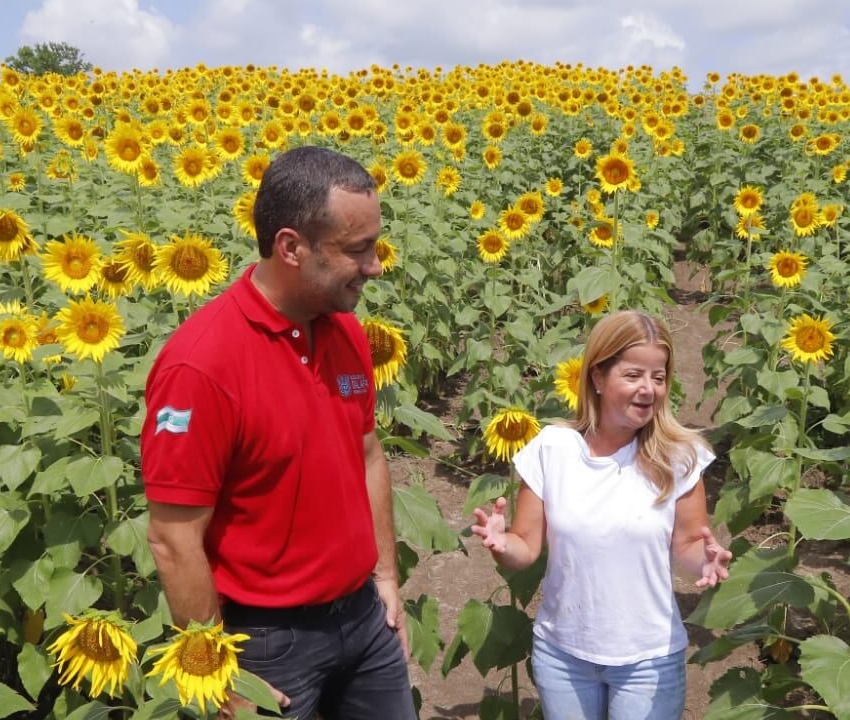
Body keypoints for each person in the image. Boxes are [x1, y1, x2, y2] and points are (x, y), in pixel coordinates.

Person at [141, 146, 416, 720]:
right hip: (266, 645)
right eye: (357, 250)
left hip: (363, 619)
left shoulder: (345, 332)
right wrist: (215, 676)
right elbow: (173, 540)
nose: (375, 266)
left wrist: (386, 576)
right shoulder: (202, 364)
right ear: (291, 247)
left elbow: (367, 455)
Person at [471, 310, 733, 720]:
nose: (649, 389)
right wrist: (501, 545)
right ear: (597, 377)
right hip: (563, 654)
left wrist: (707, 558)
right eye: (633, 375)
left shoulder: (678, 456)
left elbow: (687, 544)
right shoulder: (553, 449)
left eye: (658, 377)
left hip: (649, 658)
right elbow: (525, 547)